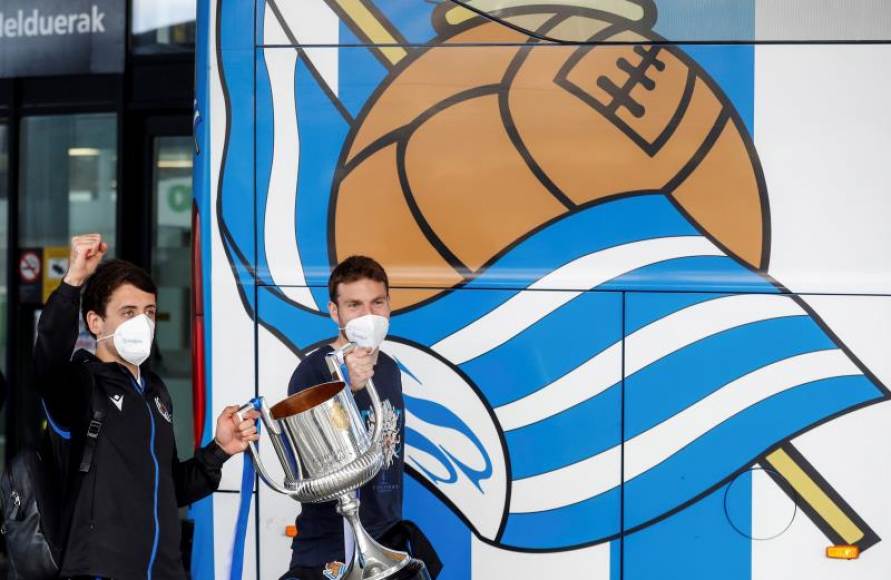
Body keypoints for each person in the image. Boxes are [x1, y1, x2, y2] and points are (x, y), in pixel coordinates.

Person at [33, 233, 258, 579]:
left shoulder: (155, 391)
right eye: (128, 312)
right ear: (95, 322)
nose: (143, 323)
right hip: (99, 571)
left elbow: (171, 488)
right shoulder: (79, 385)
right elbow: (48, 356)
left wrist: (219, 450)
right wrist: (74, 280)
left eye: (149, 312)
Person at [283, 256, 440, 580]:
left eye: (377, 303)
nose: (368, 316)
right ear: (334, 312)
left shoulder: (389, 370)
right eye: (354, 305)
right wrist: (349, 387)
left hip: (385, 541)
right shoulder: (314, 371)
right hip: (331, 549)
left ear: (389, 306)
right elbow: (307, 467)